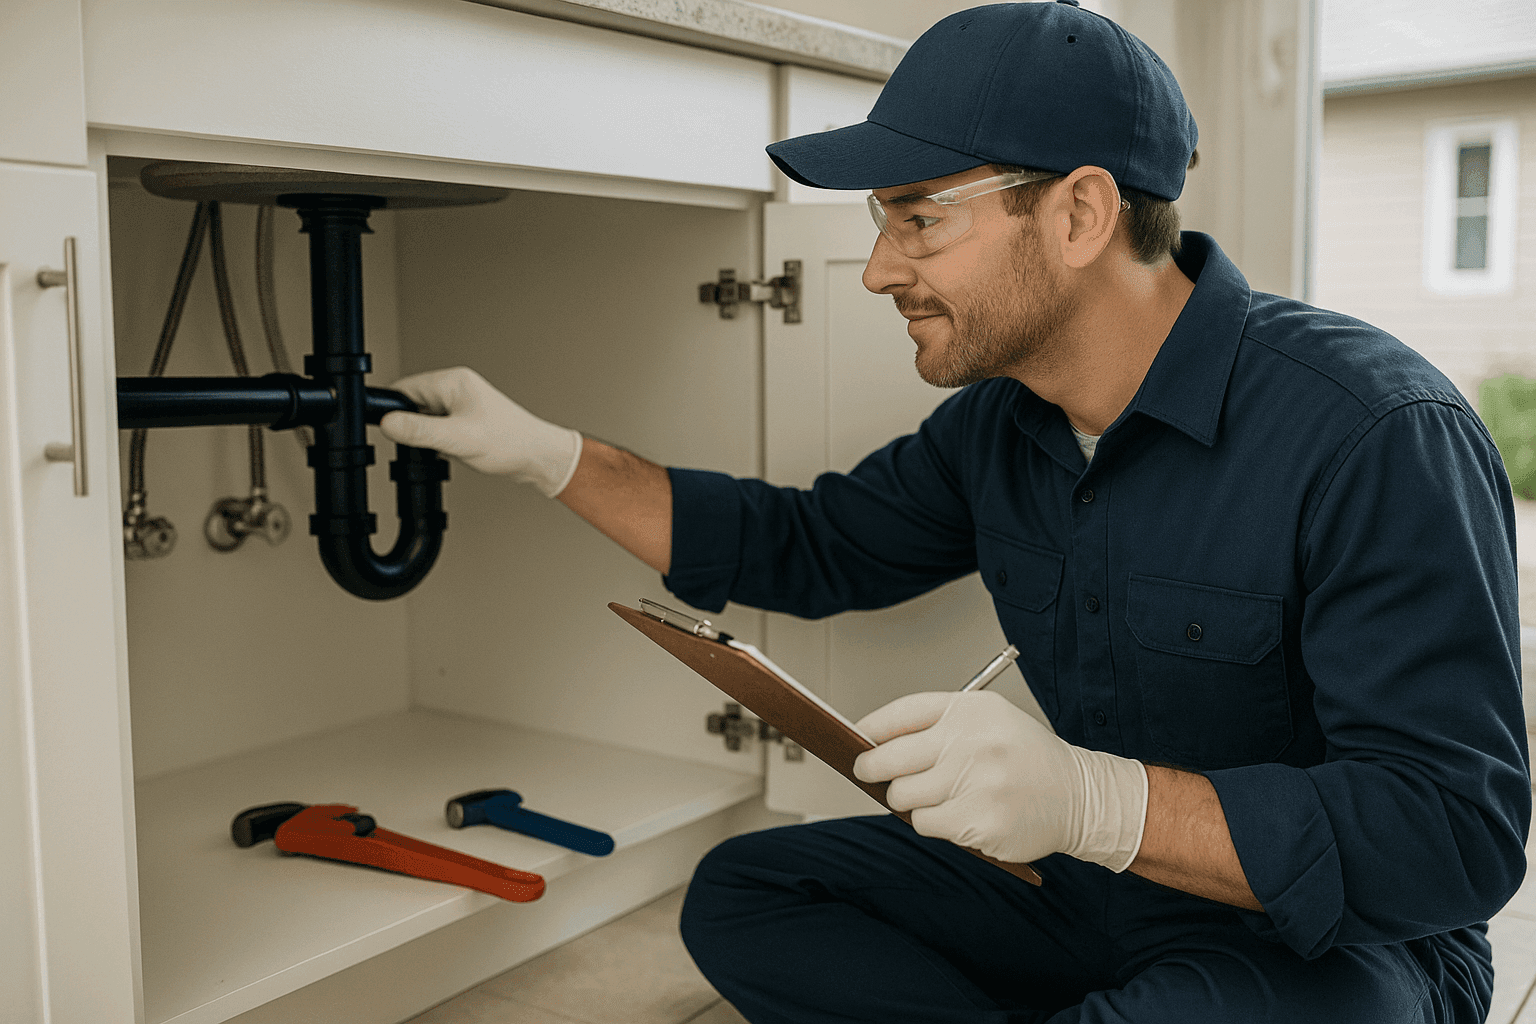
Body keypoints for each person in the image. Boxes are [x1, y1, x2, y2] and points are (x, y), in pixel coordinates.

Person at [379, 2, 1530, 1020]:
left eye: (919, 218)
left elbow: (1452, 836)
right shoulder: (1003, 423)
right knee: (749, 894)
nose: (879, 269)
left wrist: (1097, 798)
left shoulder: (1376, 433)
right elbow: (811, 545)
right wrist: (541, 453)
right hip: (1089, 889)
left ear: (1081, 215)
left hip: (1334, 941)